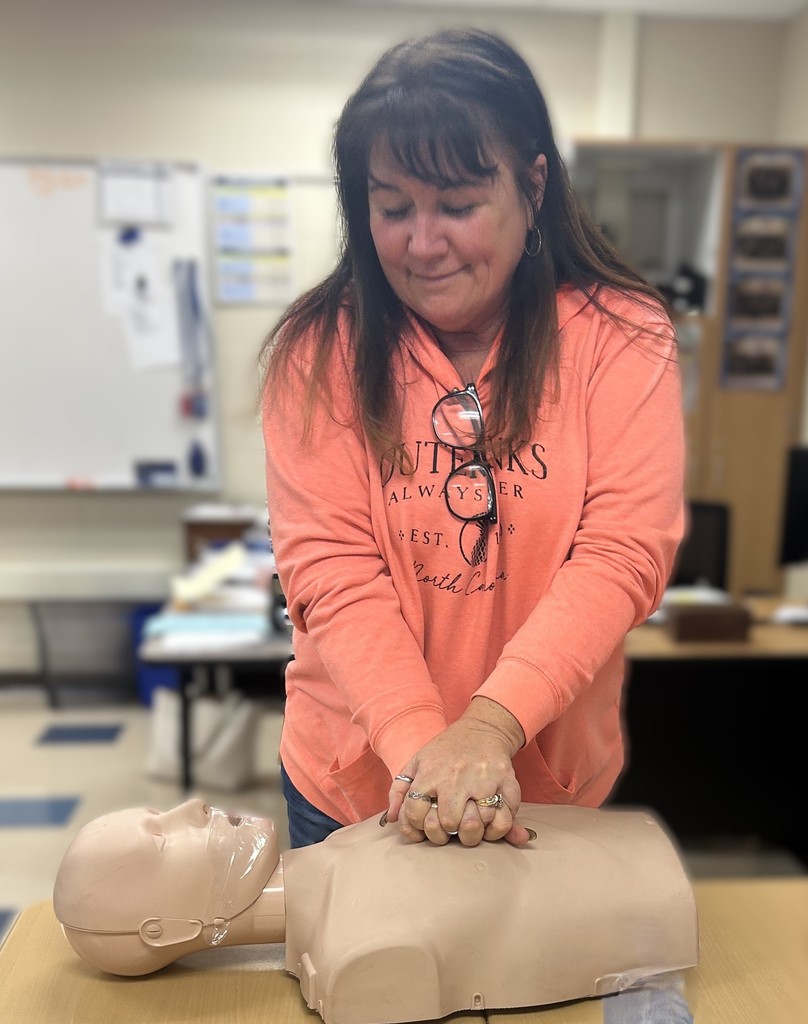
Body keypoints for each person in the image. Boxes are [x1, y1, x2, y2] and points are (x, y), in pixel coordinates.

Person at [259, 27, 685, 850]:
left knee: (534, 983)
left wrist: (489, 732)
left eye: (457, 205)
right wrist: (433, 766)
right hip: (357, 783)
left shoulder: (620, 335)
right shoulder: (319, 353)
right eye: (392, 208)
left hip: (542, 785)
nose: (424, 244)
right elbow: (333, 573)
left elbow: (621, 552)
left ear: (532, 188)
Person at [52, 798, 697, 1024]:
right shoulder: (358, 958)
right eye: (161, 839)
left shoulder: (339, 855)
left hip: (630, 868)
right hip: (646, 914)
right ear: (166, 931)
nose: (191, 808)